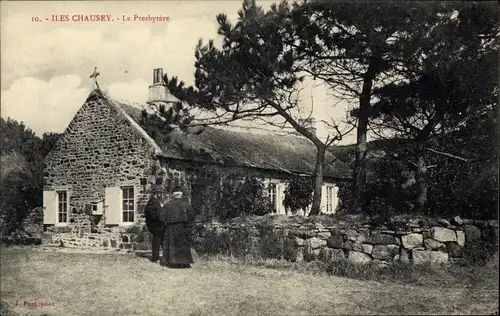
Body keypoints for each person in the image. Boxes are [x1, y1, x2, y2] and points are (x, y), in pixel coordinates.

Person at [159, 186, 197, 268]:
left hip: (170, 228)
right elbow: (192, 214)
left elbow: (161, 217)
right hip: (182, 227)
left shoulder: (167, 204)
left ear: (173, 195)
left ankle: (171, 261)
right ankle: (184, 262)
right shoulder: (186, 204)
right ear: (181, 194)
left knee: (171, 244)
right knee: (182, 244)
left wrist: (166, 222)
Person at [144, 185, 166, 263]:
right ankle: (155, 257)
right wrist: (162, 208)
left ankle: (158, 257)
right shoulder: (152, 202)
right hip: (155, 224)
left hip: (157, 224)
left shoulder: (156, 201)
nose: (160, 194)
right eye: (158, 192)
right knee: (157, 240)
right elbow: (152, 214)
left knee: (159, 239)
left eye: (160, 192)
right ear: (155, 193)